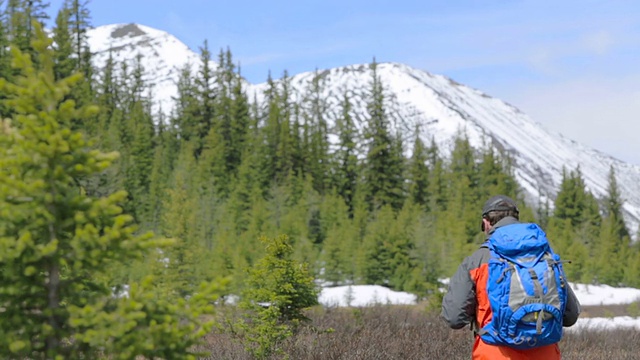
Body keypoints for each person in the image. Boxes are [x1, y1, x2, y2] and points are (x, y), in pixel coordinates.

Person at [441, 195, 581, 360]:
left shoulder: (477, 260)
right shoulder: (545, 256)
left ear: (486, 223)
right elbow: (570, 316)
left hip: (494, 353)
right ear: (516, 218)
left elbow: (454, 318)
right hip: (546, 353)